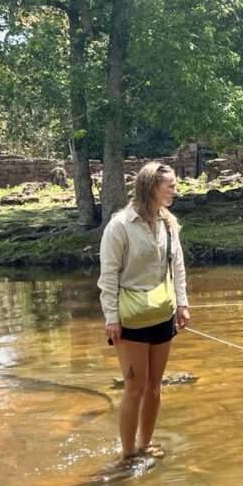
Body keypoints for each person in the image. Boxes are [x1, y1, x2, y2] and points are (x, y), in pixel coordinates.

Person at [99, 162, 191, 462]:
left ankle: (145, 445)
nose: (175, 190)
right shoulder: (120, 226)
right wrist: (111, 318)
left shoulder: (168, 223)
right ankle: (127, 455)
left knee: (154, 388)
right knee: (135, 389)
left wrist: (182, 303)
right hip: (130, 318)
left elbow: (176, 266)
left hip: (162, 314)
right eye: (170, 185)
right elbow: (108, 275)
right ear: (152, 186)